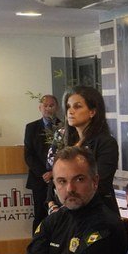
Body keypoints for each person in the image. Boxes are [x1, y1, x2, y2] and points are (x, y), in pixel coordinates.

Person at [22, 146, 126, 254]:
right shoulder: (53, 221)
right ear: (54, 185)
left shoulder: (107, 226)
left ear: (95, 181)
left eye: (79, 179)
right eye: (62, 181)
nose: (70, 188)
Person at [46, 86, 119, 214]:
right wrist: (51, 203)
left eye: (77, 106)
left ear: (92, 112)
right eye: (68, 107)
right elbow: (55, 178)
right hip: (65, 212)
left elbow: (100, 184)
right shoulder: (67, 142)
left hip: (96, 213)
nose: (71, 111)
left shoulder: (106, 143)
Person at [24, 94, 61, 231]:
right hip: (39, 179)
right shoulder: (31, 127)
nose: (48, 108)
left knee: (59, 216)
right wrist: (44, 173)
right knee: (39, 215)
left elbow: (66, 154)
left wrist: (54, 172)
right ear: (40, 108)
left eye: (51, 105)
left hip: (59, 179)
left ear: (56, 108)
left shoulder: (63, 127)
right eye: (45, 105)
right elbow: (29, 155)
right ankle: (37, 249)